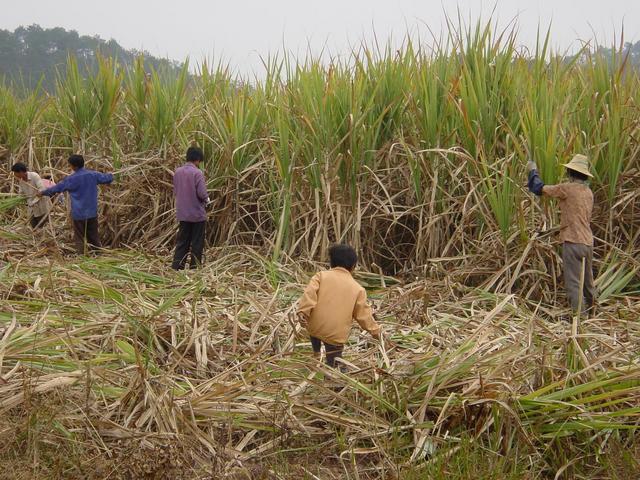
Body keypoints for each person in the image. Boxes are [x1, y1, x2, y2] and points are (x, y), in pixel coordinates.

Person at [527, 154, 597, 314]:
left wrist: (532, 172)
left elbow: (539, 188)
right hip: (587, 242)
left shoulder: (567, 189)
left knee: (573, 283)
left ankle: (580, 320)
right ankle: (594, 313)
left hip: (572, 242)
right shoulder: (588, 193)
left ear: (570, 173)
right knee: (587, 282)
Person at [297, 244, 381, 368]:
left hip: (314, 325)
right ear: (353, 266)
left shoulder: (321, 276)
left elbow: (309, 294)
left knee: (315, 331)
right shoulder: (358, 289)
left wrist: (303, 311)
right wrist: (375, 331)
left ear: (331, 263)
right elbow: (363, 316)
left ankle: (316, 354)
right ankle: (335, 376)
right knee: (334, 359)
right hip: (335, 333)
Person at [39, 154, 113, 254]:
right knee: (93, 235)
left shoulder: (71, 179)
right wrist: (111, 174)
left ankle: (81, 256)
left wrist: (43, 193)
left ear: (74, 166)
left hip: (79, 214)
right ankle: (98, 254)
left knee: (79, 237)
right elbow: (107, 178)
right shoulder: (93, 175)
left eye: (70, 165)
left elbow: (57, 189)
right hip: (92, 212)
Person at [172, 146, 210, 270]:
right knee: (197, 242)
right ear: (198, 159)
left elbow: (176, 190)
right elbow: (202, 193)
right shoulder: (197, 173)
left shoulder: (177, 172)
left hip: (183, 213)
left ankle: (177, 266)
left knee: (182, 241)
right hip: (197, 214)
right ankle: (195, 268)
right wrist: (207, 200)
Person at [10, 162, 52, 228]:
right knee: (34, 227)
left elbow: (42, 190)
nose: (15, 175)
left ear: (20, 172)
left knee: (43, 227)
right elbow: (21, 194)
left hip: (41, 207)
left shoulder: (34, 176)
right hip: (31, 209)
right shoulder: (21, 181)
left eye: (15, 173)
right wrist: (15, 201)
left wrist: (33, 201)